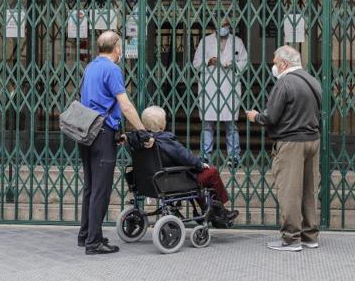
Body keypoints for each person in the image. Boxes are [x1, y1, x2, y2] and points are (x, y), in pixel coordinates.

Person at [77, 31, 150, 255]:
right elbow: (125, 105)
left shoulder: (90, 67)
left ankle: (85, 234)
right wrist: (142, 131)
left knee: (91, 186)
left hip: (86, 132)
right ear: (117, 47)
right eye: (121, 45)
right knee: (101, 189)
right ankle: (94, 242)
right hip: (101, 134)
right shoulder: (112, 69)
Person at [246, 45, 322, 252]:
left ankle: (291, 238)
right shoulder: (312, 81)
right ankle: (310, 236)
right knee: (309, 190)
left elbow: (271, 116)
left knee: (290, 191)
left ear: (284, 63)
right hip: (312, 140)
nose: (273, 66)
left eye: (274, 62)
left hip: (291, 143)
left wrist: (255, 117)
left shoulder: (285, 83)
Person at [138, 105, 239, 223]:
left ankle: (210, 209)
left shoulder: (140, 141)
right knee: (211, 173)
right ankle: (219, 211)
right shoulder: (166, 140)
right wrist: (200, 165)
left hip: (149, 181)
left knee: (199, 183)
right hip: (171, 181)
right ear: (162, 124)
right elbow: (186, 157)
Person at [193, 17, 248, 165]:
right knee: (207, 124)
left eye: (226, 25)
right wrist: (208, 62)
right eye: (221, 25)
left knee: (231, 124)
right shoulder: (205, 41)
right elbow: (196, 63)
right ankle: (205, 155)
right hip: (210, 86)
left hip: (229, 86)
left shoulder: (238, 41)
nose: (224, 27)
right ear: (215, 26)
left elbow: (244, 61)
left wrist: (234, 64)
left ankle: (234, 156)